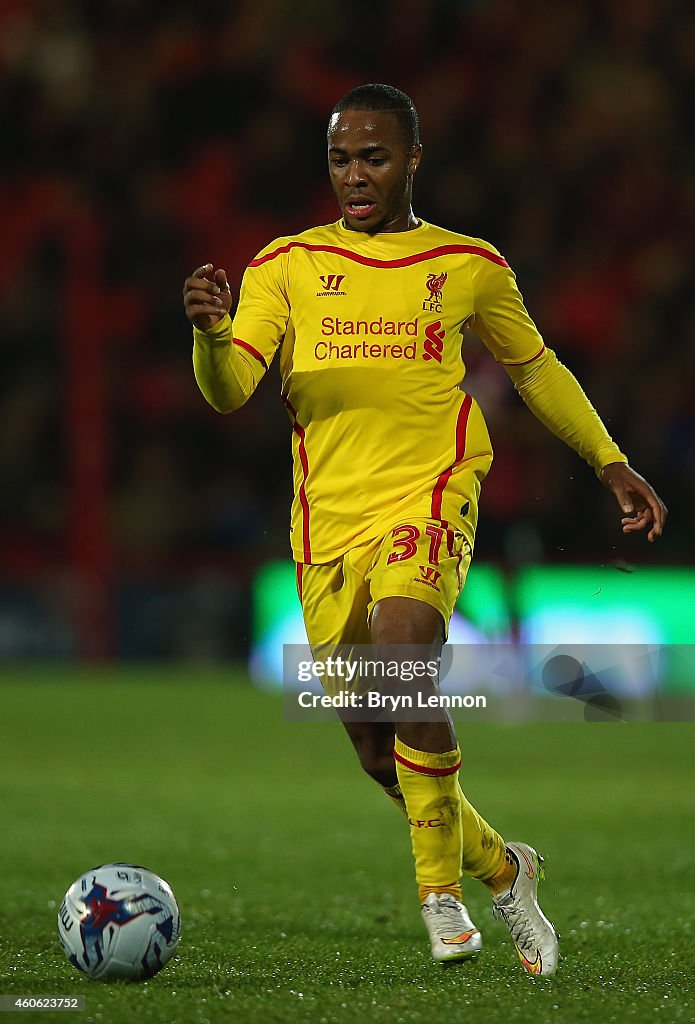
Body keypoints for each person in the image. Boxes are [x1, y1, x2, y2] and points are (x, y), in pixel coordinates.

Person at [183, 83, 667, 976]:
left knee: (409, 661)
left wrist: (608, 460)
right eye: (340, 159)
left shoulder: (467, 264)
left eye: (373, 156)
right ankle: (503, 866)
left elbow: (536, 368)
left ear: (412, 160)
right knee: (378, 753)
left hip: (429, 495)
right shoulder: (284, 264)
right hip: (326, 522)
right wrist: (213, 337)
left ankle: (439, 900)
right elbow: (231, 390)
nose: (355, 175)